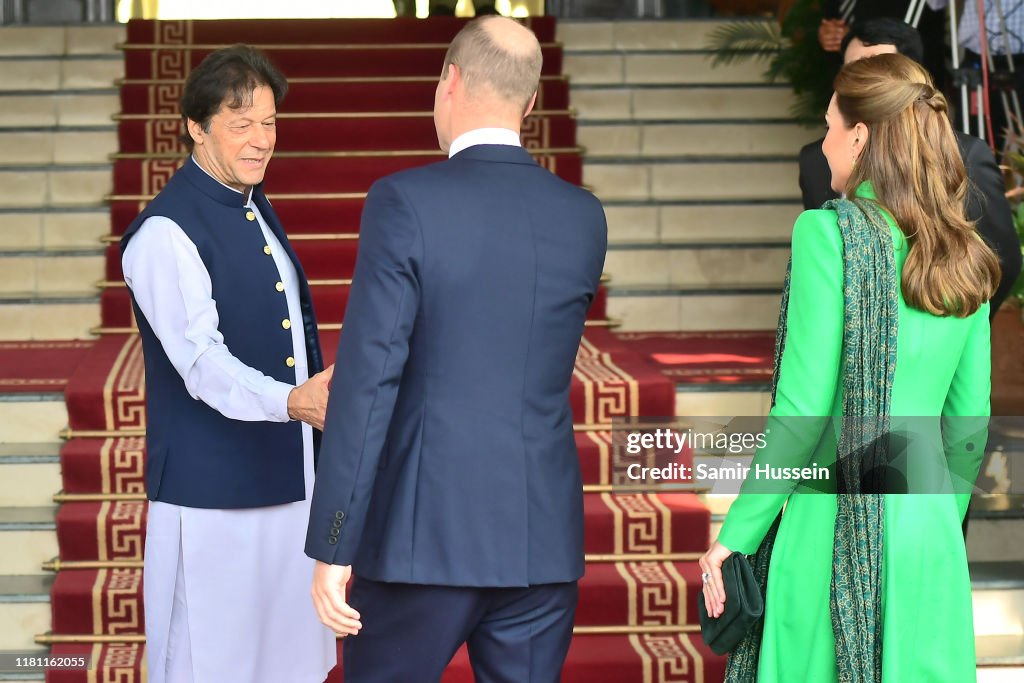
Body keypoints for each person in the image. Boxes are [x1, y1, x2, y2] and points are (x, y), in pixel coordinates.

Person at [304, 16, 607, 682]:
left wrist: (334, 540)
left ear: (450, 83)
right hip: (539, 542)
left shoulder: (404, 202)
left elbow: (368, 380)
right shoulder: (582, 216)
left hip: (422, 538)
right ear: (530, 103)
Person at [700, 53, 999, 682]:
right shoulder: (963, 252)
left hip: (832, 524)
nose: (825, 140)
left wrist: (739, 532)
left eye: (830, 125)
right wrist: (938, 515)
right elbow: (969, 421)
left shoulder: (826, 236)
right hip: (929, 531)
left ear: (860, 137)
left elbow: (802, 412)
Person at [120, 46, 337, 683]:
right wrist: (292, 402)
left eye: (269, 123)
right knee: (211, 665)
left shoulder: (251, 204)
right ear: (196, 125)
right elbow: (201, 364)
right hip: (213, 504)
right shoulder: (165, 231)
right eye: (241, 123)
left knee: (287, 665)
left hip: (288, 488)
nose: (261, 139)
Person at [800, 17, 1021, 315]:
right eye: (853, 70)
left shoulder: (964, 155)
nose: (865, 83)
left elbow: (998, 261)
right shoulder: (817, 160)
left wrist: (956, 329)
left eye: (880, 68)